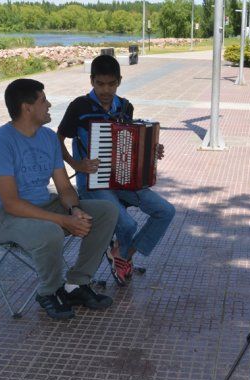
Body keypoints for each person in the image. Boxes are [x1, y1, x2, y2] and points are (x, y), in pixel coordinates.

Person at [0, 78, 119, 321]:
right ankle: (48, 292)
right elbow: (10, 203)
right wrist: (61, 221)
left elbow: (64, 186)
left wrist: (74, 209)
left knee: (106, 211)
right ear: (27, 107)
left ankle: (76, 284)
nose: (49, 104)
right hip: (0, 217)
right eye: (43, 100)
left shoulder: (48, 138)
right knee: (51, 231)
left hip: (41, 205)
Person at [57, 55, 175, 286]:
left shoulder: (125, 106)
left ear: (119, 81)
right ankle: (120, 257)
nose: (105, 89)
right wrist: (76, 164)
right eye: (100, 83)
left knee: (166, 211)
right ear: (91, 81)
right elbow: (57, 140)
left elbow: (130, 143)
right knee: (128, 224)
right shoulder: (79, 107)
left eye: (111, 84)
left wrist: (152, 150)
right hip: (92, 183)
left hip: (122, 181)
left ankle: (121, 254)